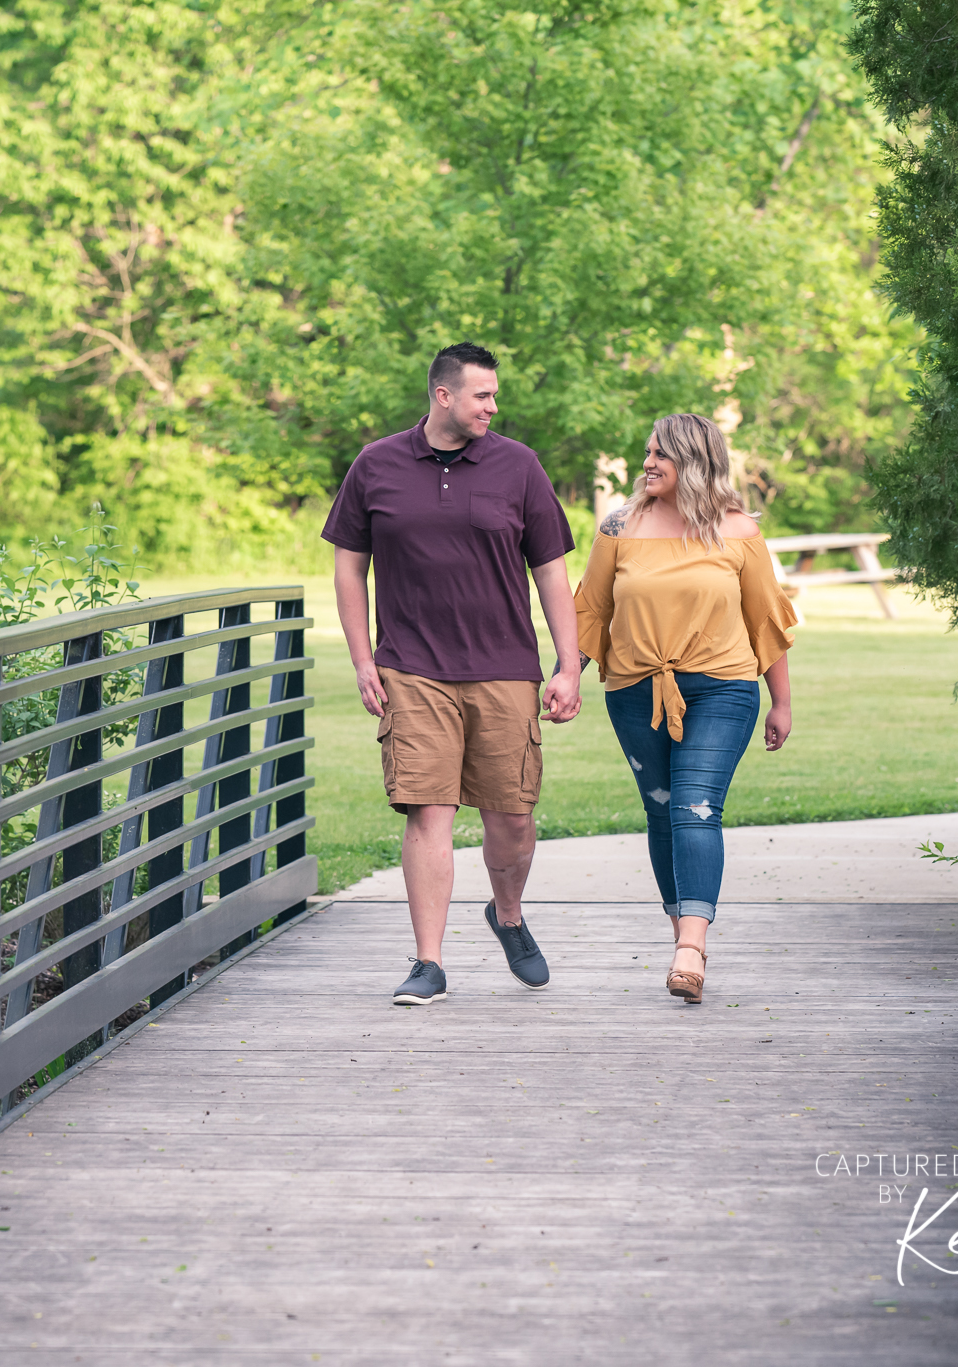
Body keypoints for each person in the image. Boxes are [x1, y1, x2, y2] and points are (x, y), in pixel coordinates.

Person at [322, 341, 585, 1005]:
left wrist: (569, 663)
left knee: (512, 820)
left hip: (503, 667)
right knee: (427, 812)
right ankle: (429, 961)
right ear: (443, 395)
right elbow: (350, 565)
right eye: (482, 395)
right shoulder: (376, 464)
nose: (493, 406)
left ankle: (508, 914)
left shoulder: (518, 466)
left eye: (494, 395)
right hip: (412, 668)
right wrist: (362, 657)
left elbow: (551, 570)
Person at [573, 413, 795, 1004]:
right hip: (633, 689)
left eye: (660, 456)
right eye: (646, 453)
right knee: (663, 810)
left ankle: (690, 948)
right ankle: (685, 940)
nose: (647, 463)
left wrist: (782, 702)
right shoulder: (619, 527)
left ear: (694, 462)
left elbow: (765, 619)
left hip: (722, 688)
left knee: (696, 806)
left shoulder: (738, 531)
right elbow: (590, 611)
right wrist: (567, 676)